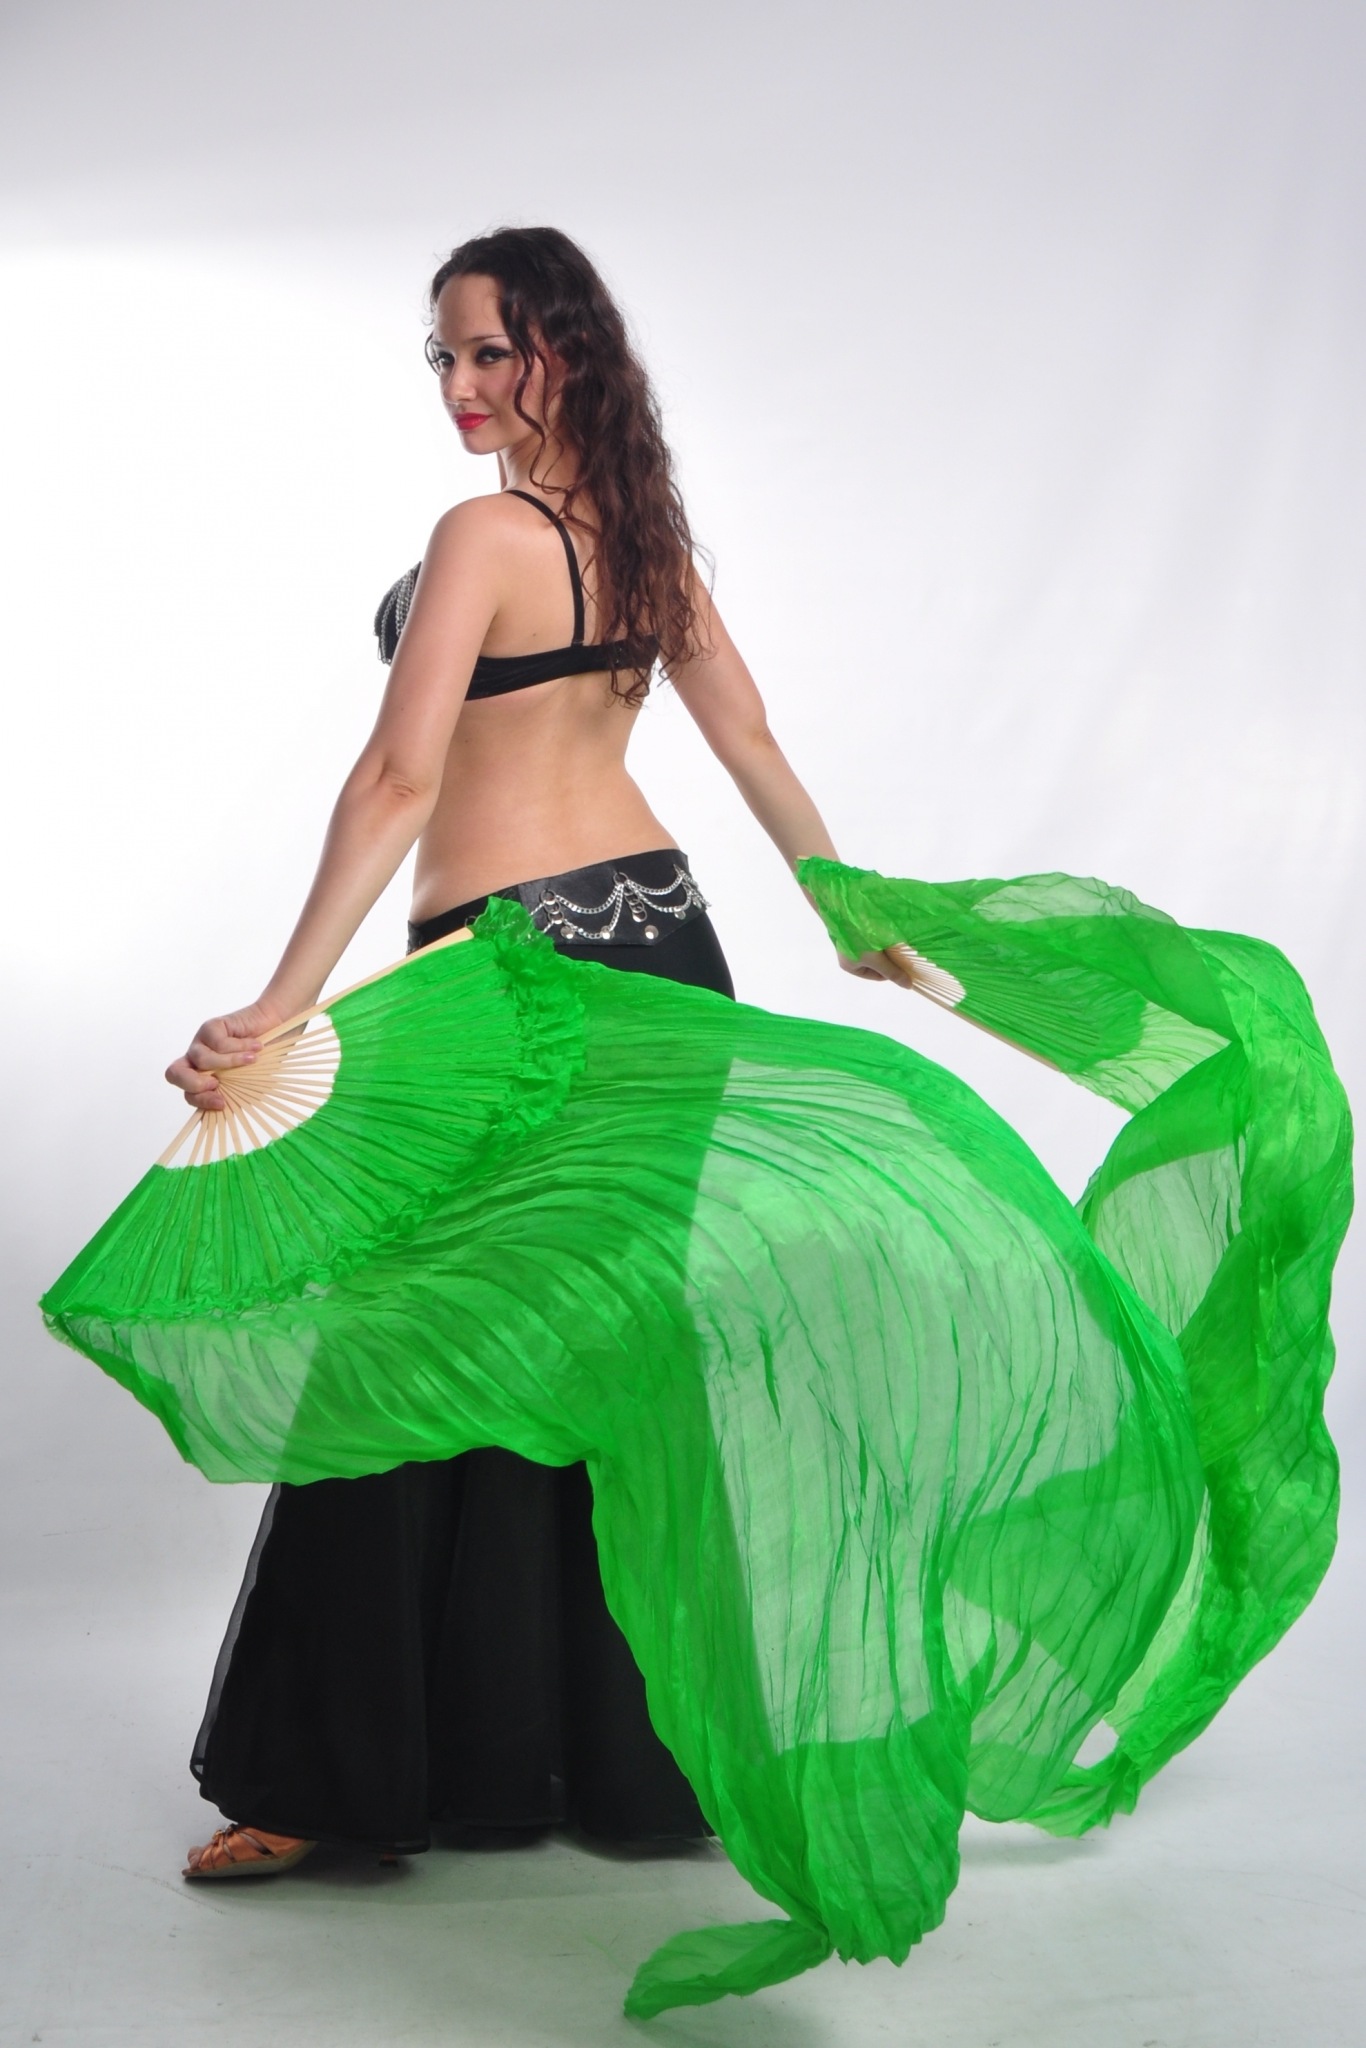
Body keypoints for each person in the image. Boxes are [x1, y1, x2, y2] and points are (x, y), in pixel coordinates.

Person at [166, 225, 912, 1878]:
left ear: (562, 352)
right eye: (440, 355)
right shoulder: (642, 541)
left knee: (408, 1342)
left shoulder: (484, 535)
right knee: (589, 1351)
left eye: (489, 351)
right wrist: (838, 902)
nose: (459, 384)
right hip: (665, 950)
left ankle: (333, 1784)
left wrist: (283, 1001)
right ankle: (607, 1770)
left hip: (518, 968)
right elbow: (746, 738)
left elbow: (398, 779)